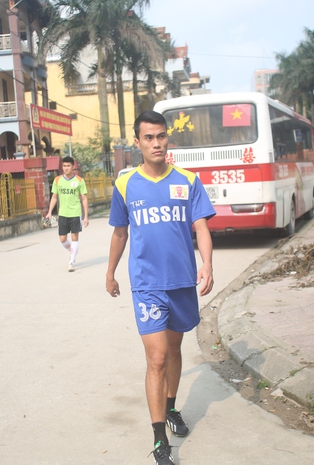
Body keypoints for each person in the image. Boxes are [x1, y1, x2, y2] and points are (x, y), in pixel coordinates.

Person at [105, 111, 215, 465]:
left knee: (175, 350)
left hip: (182, 281)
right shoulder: (125, 184)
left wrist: (207, 265)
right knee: (157, 358)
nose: (156, 143)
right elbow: (120, 232)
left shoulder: (187, 180)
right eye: (149, 138)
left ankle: (170, 408)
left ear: (168, 139)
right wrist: (110, 273)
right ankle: (158, 439)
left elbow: (201, 227)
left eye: (161, 136)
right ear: (137, 142)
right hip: (147, 285)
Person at [46, 156, 89, 272]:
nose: (66, 168)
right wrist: (49, 212)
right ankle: (73, 250)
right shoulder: (57, 180)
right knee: (62, 239)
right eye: (64, 166)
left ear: (73, 167)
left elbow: (84, 199)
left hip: (75, 213)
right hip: (63, 214)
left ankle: (71, 262)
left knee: (75, 237)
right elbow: (54, 197)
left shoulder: (79, 181)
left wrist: (86, 216)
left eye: (68, 166)